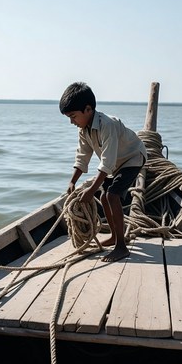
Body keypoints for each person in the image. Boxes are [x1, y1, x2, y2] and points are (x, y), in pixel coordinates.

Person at [59, 82, 147, 262]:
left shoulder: (108, 124)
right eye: (69, 117)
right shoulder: (84, 130)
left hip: (133, 157)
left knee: (112, 196)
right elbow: (83, 156)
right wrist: (72, 181)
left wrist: (91, 190)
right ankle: (115, 236)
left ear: (88, 109)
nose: (71, 122)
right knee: (104, 196)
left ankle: (121, 247)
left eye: (73, 116)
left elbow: (106, 162)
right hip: (116, 164)